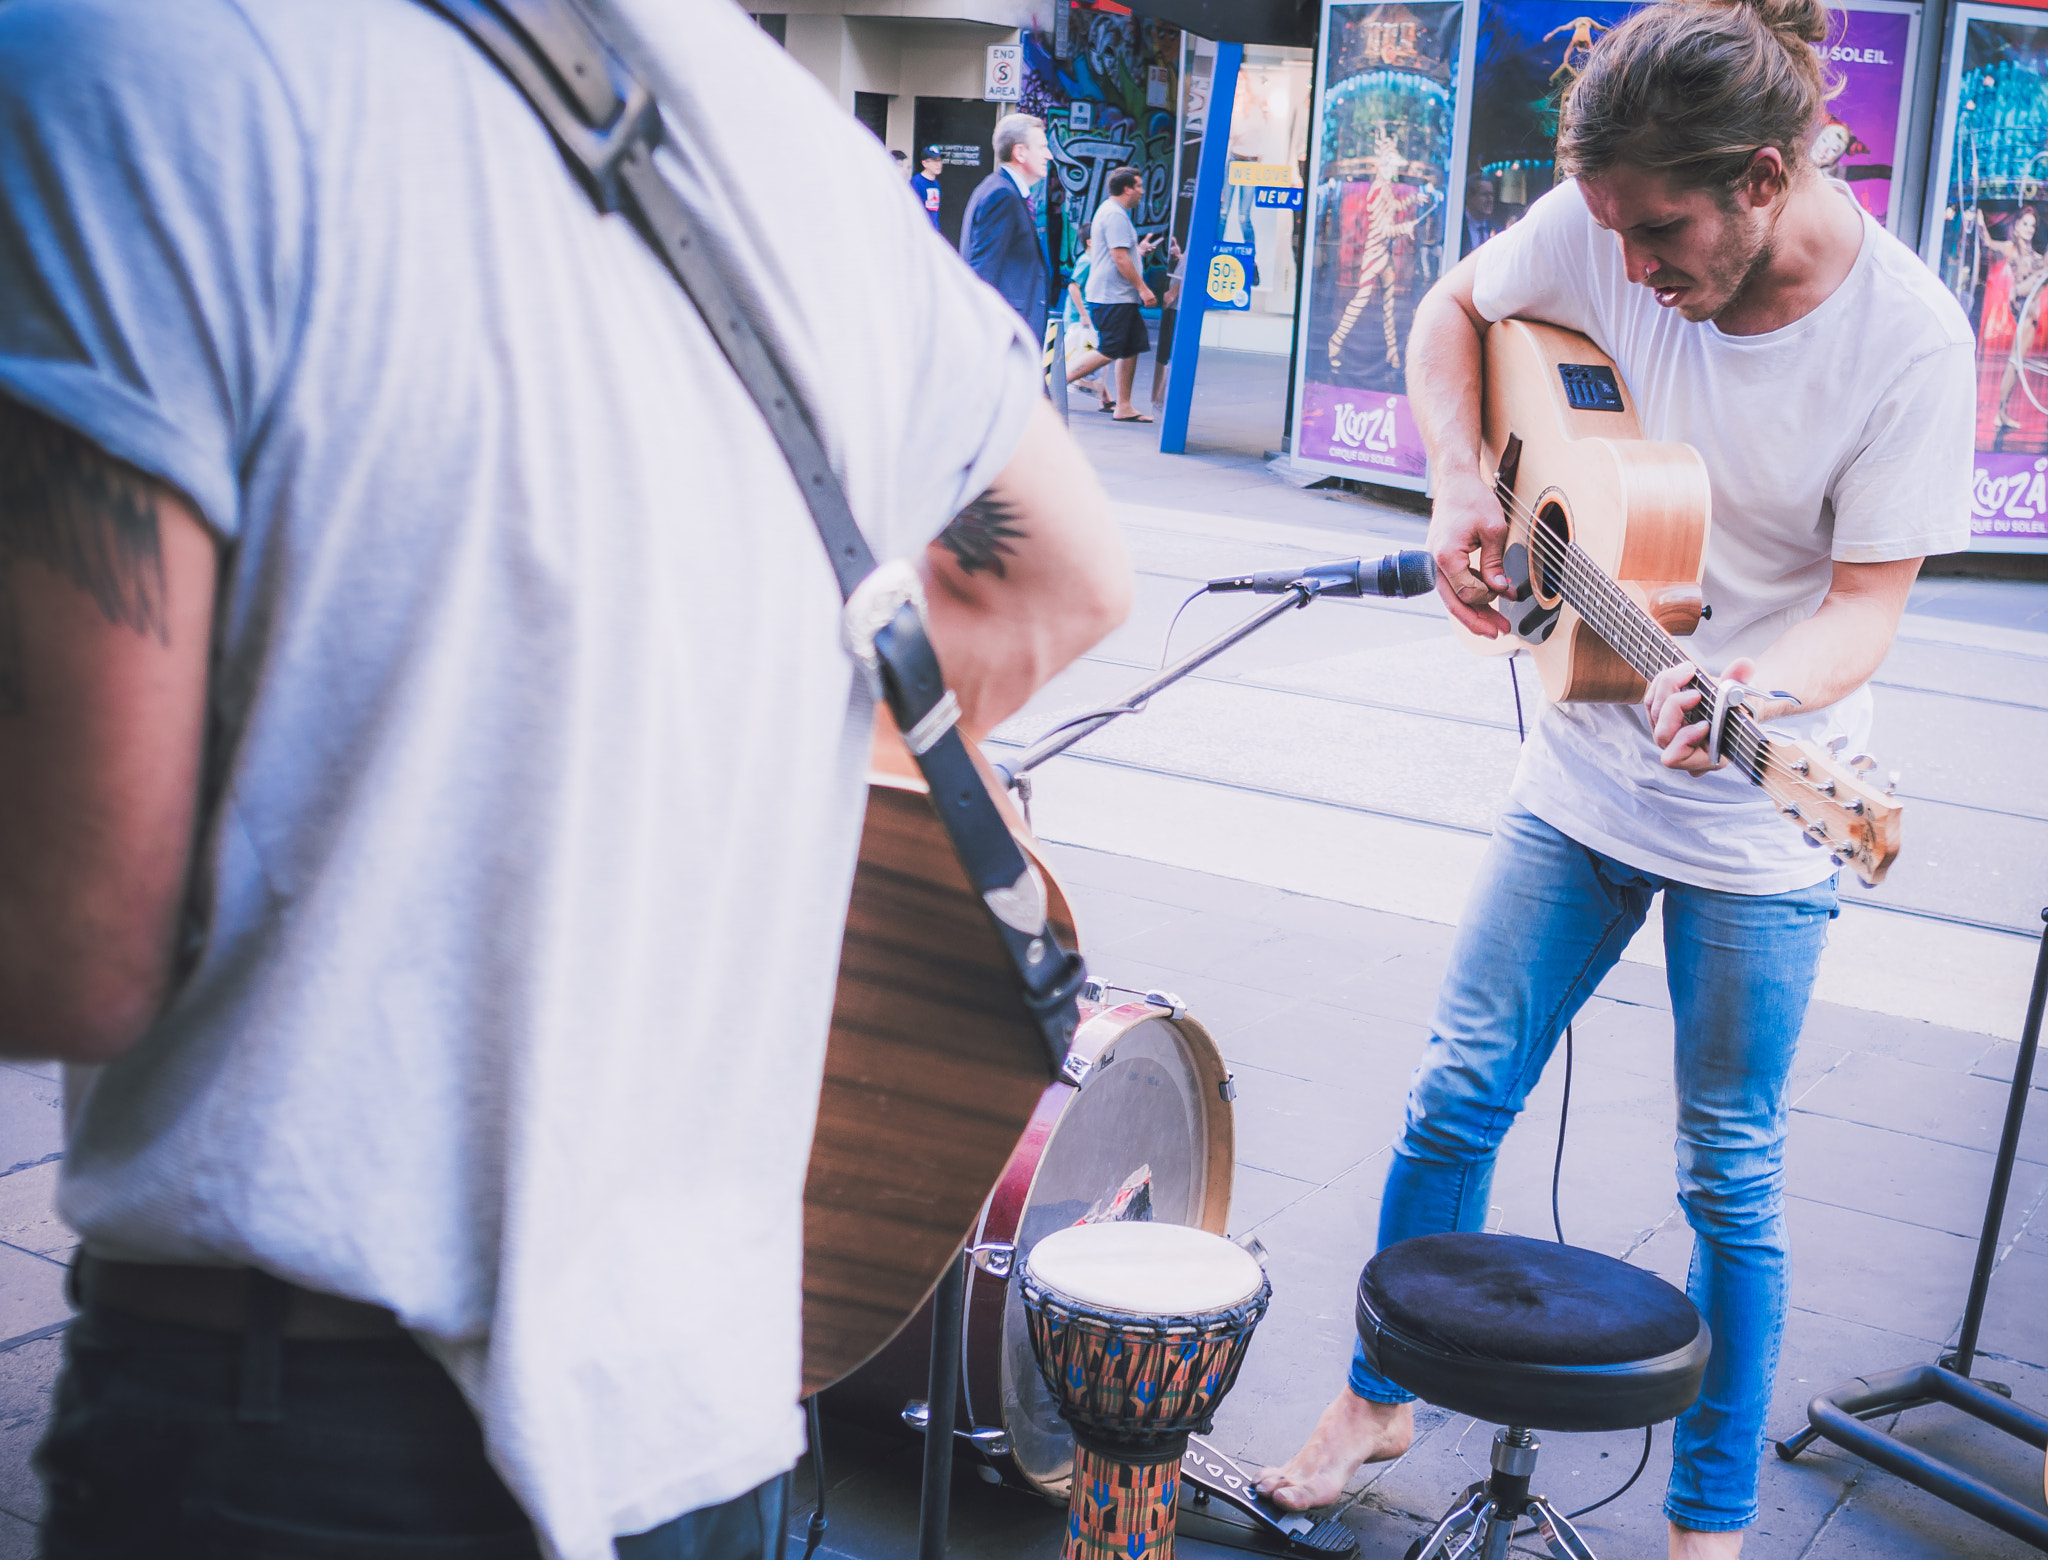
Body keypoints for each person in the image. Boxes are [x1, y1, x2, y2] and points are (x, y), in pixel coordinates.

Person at [0, 2, 1131, 1558]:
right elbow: (1059, 577)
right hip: (706, 1421)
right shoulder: (803, 142)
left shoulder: (135, 55)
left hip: (304, 1438)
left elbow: (67, 938)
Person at [1253, 1, 1971, 1556]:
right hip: (1583, 766)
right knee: (1457, 1088)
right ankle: (1382, 1393)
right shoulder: (1603, 216)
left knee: (1732, 1173)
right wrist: (1462, 481)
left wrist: (1751, 689)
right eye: (1612, 233)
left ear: (1768, 177)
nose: (1633, 271)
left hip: (1767, 799)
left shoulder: (1907, 338)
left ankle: (1708, 1521)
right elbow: (1454, 307)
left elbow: (1867, 606)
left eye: (1664, 236)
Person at [1065, 167, 1158, 422]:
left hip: (1118, 296)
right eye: (1138, 186)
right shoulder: (1115, 214)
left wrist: (1138, 252)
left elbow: (1119, 254)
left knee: (1131, 347)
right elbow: (1118, 257)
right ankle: (1053, 386)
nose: (1141, 191)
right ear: (1127, 188)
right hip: (1111, 296)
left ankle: (1124, 406)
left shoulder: (1114, 212)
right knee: (1110, 349)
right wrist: (1143, 288)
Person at [961, 114, 1053, 343]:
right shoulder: (1002, 196)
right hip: (1005, 335)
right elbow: (982, 270)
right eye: (1042, 147)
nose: (1048, 155)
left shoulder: (1003, 191)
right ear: (1020, 152)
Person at [1462, 173, 1502, 252]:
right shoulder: (1458, 228)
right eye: (1484, 194)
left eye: (1491, 195)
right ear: (1469, 197)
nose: (1490, 199)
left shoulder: (1498, 230)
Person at [911, 143, 945, 231]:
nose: (939, 164)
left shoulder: (936, 183)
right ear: (925, 163)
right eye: (934, 161)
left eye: (940, 160)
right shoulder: (916, 182)